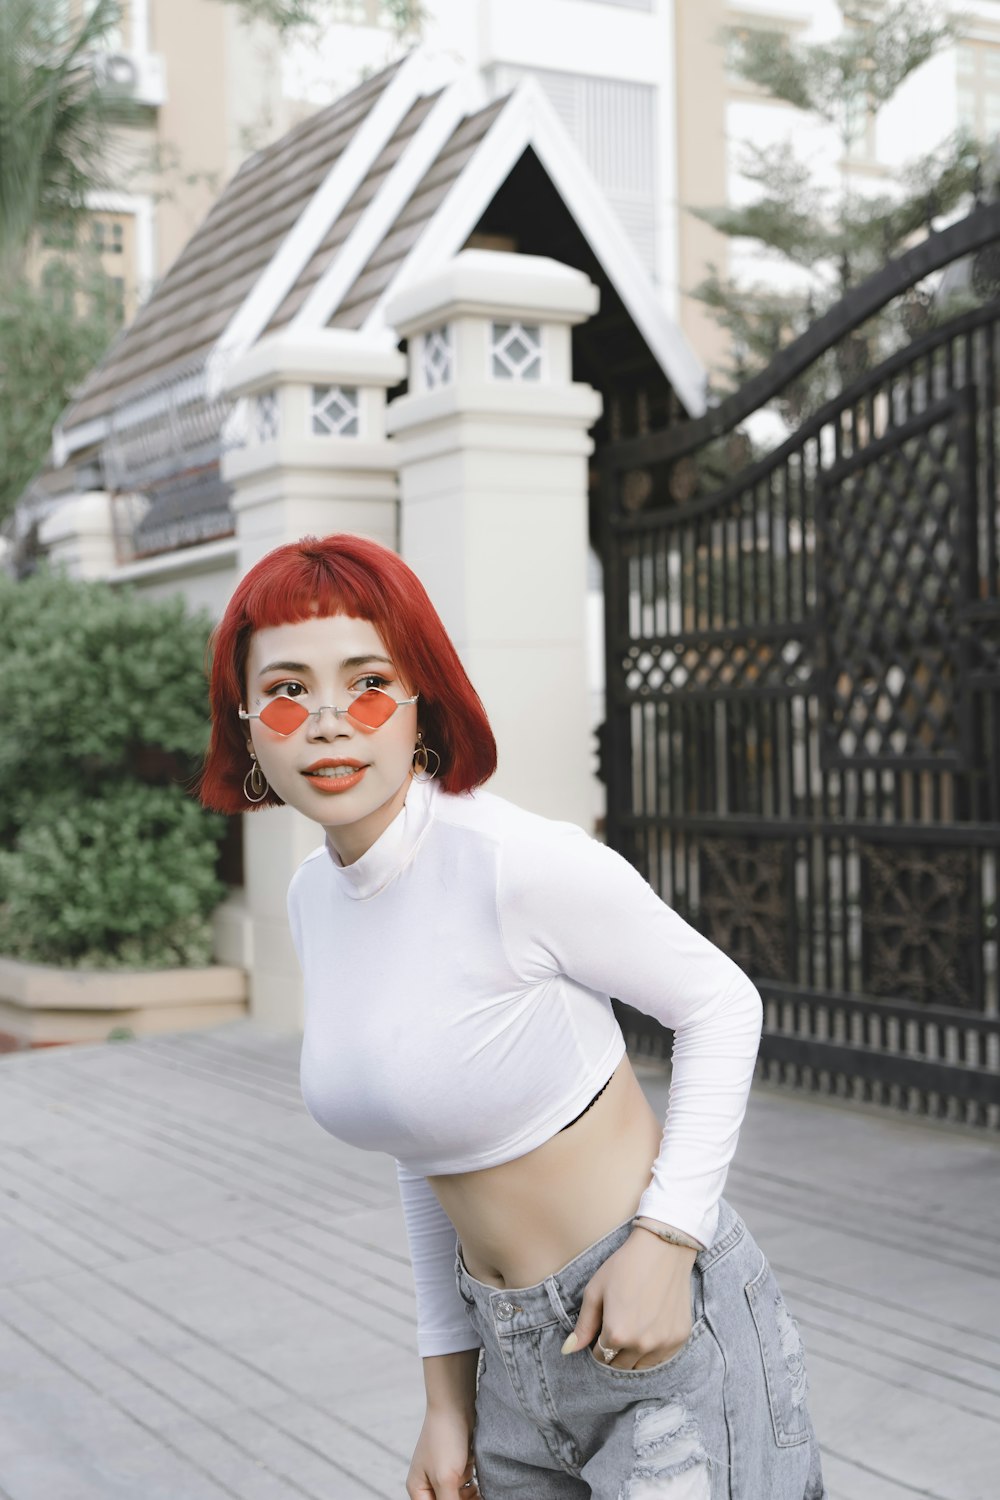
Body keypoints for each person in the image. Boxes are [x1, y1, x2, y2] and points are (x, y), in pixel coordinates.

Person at [200, 533, 825, 1500]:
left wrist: (667, 1244)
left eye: (367, 683)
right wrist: (445, 1401)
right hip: (507, 1363)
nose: (327, 722)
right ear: (246, 727)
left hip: (655, 1332)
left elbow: (720, 1003)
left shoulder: (511, 861)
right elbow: (424, 1144)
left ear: (420, 704)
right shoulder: (313, 901)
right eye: (286, 691)